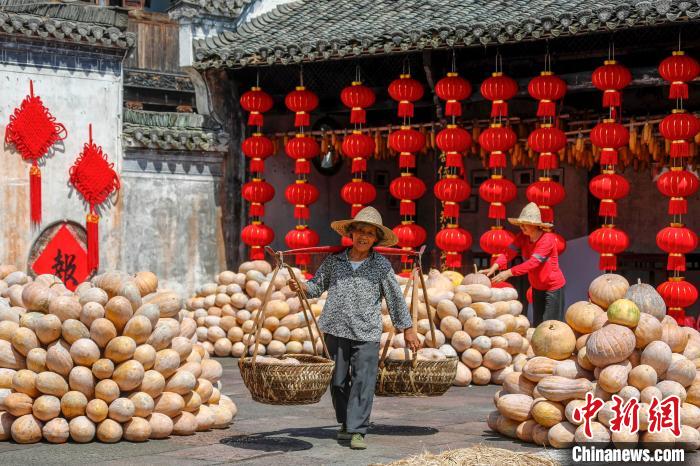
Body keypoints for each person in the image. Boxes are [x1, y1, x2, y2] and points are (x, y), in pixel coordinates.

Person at [288, 206, 418, 450]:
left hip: (366, 331)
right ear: (351, 233)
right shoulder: (335, 261)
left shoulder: (381, 266)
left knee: (363, 381)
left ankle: (357, 430)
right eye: (360, 231)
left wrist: (407, 328)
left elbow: (395, 298)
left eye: (369, 233)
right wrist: (302, 287)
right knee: (337, 382)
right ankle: (346, 422)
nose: (363, 236)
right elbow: (316, 286)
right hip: (335, 329)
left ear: (376, 239)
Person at [480, 202, 566, 325]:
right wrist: (494, 267)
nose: (522, 227)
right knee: (538, 325)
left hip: (553, 287)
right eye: (521, 224)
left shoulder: (548, 239)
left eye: (525, 224)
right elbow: (508, 253)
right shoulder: (522, 237)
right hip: (537, 287)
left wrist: (509, 272)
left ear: (535, 225)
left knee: (550, 326)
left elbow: (533, 263)